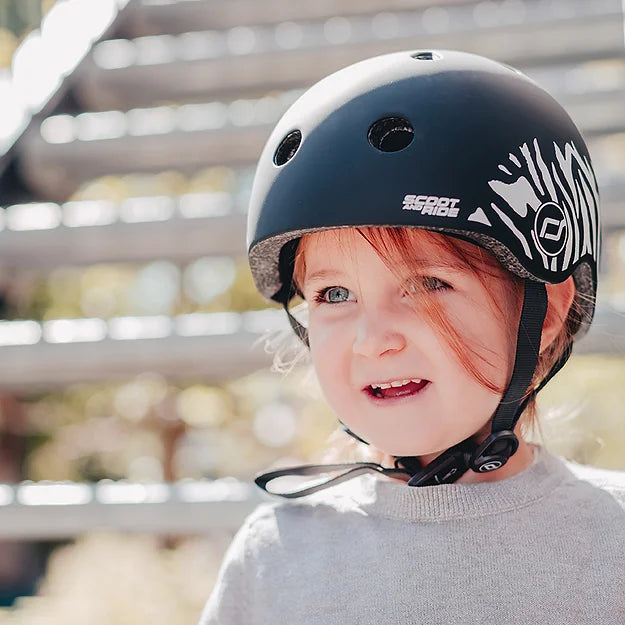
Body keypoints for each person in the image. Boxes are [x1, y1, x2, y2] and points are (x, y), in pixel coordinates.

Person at [199, 50, 625, 624]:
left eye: (427, 283)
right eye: (333, 295)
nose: (373, 340)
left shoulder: (611, 543)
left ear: (544, 309)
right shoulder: (275, 556)